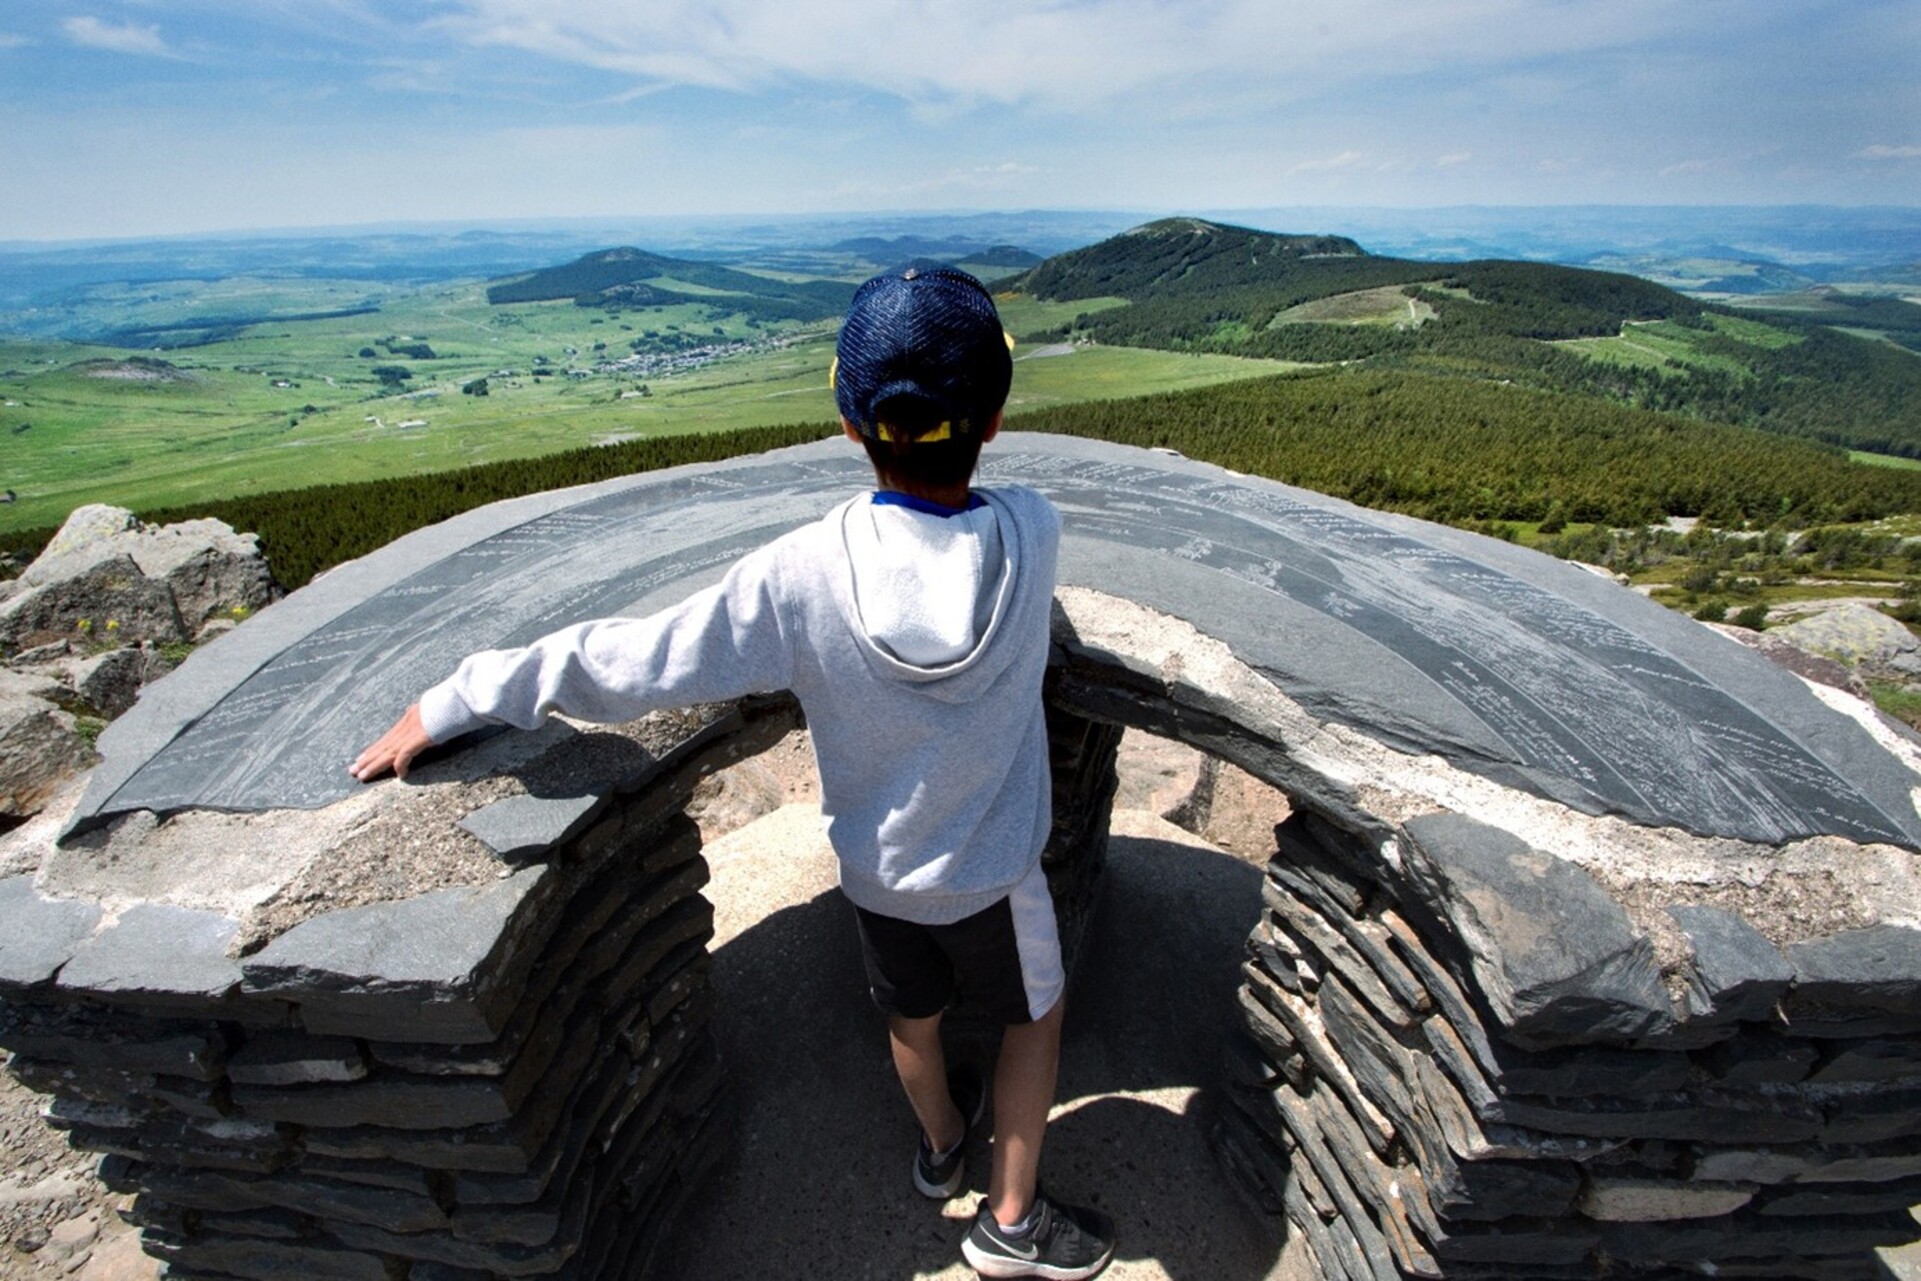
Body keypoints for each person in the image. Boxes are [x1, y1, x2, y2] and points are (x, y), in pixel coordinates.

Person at [349, 265, 1115, 1281]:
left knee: (910, 1020)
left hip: (878, 880)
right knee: (1034, 1019)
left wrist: (462, 695)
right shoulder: (1034, 531)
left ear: (849, 424)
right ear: (996, 417)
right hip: (995, 878)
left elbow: (635, 662)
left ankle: (938, 1149)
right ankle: (1011, 1227)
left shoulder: (797, 576)